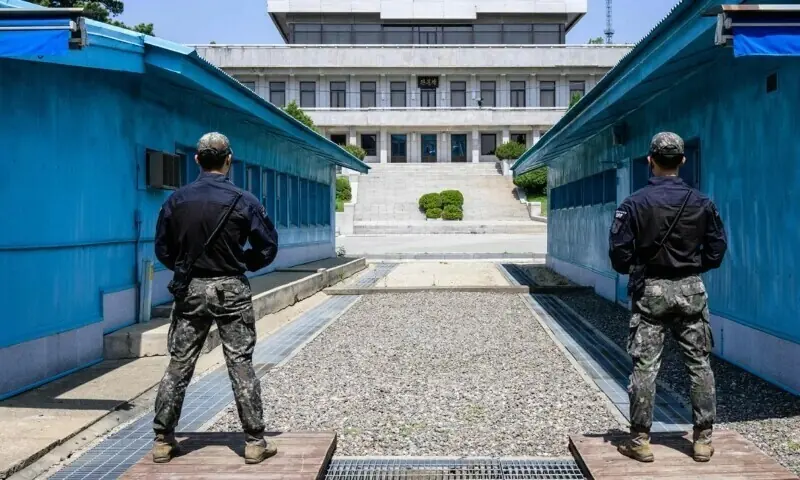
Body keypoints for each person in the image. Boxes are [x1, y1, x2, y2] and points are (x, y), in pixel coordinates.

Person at [152, 132, 279, 464]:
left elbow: (162, 249)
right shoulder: (244, 200)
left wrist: (185, 268)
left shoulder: (176, 200)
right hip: (231, 289)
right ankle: (254, 441)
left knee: (179, 364)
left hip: (191, 289)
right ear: (229, 159)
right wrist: (243, 264)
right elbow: (267, 247)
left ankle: (163, 441)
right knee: (240, 363)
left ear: (196, 160)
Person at [608, 132, 727, 464]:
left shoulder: (633, 204)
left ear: (650, 160)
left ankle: (640, 440)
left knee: (645, 366)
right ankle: (702, 440)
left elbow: (618, 257)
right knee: (699, 364)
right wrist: (691, 266)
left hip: (651, 290)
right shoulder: (702, 203)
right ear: (682, 161)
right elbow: (717, 251)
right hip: (691, 289)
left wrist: (642, 265)